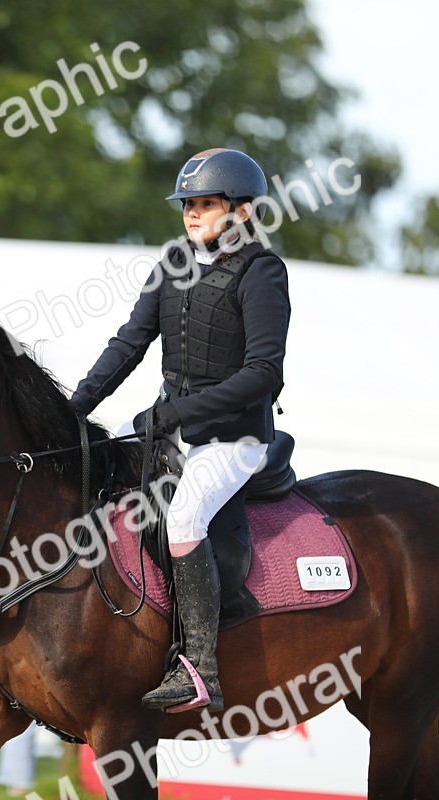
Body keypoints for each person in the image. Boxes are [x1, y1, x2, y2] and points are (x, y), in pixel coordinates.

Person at [70, 148, 291, 713]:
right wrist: (76, 407)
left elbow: (264, 372)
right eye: (187, 204)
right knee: (90, 464)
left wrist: (177, 415)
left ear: (242, 212)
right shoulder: (172, 262)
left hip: (233, 439)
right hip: (170, 425)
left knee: (185, 515)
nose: (192, 214)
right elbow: (128, 343)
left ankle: (199, 669)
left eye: (205, 203)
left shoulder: (262, 271)